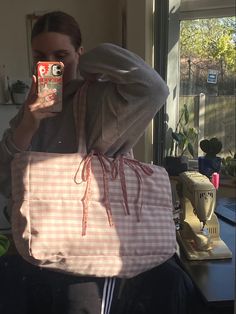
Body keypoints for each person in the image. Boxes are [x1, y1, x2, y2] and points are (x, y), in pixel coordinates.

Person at [0, 10, 196, 314]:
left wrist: (93, 61)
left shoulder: (101, 100)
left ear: (79, 52)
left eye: (61, 54)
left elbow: (155, 89)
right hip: (30, 247)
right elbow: (4, 181)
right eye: (40, 56)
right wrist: (28, 126)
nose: (51, 65)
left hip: (84, 253)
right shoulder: (29, 110)